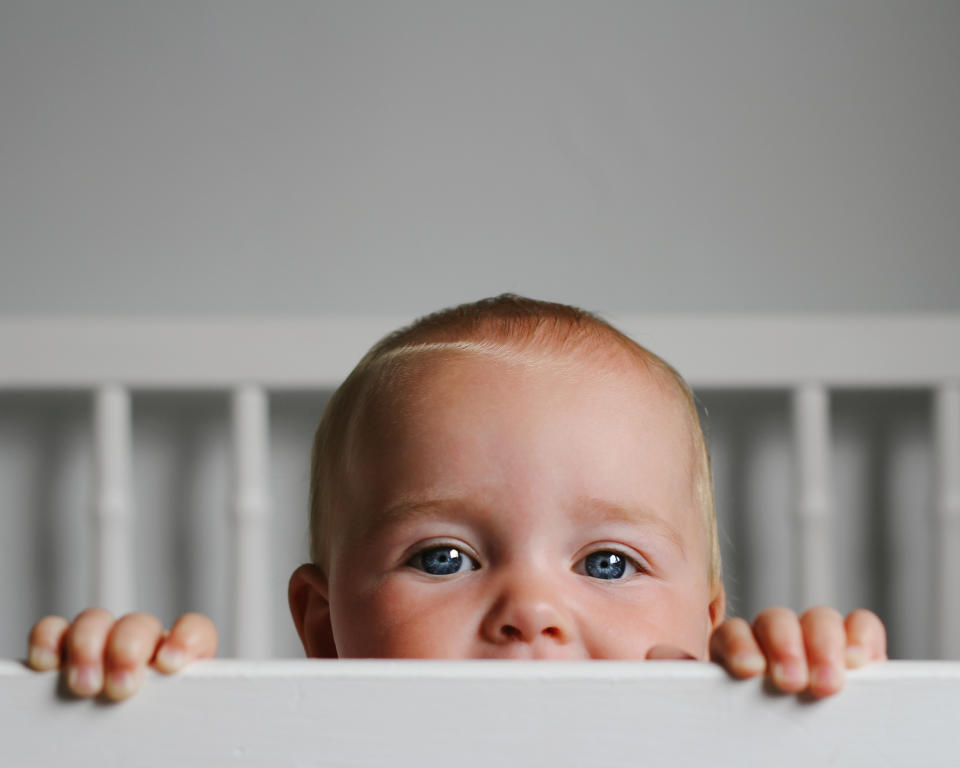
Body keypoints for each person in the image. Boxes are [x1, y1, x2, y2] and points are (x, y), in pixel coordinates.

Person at [26, 295, 887, 700]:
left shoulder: (728, 748)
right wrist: (122, 718)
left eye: (610, 562)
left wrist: (821, 720)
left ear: (707, 624)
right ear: (324, 628)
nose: (532, 612)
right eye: (444, 557)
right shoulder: (281, 753)